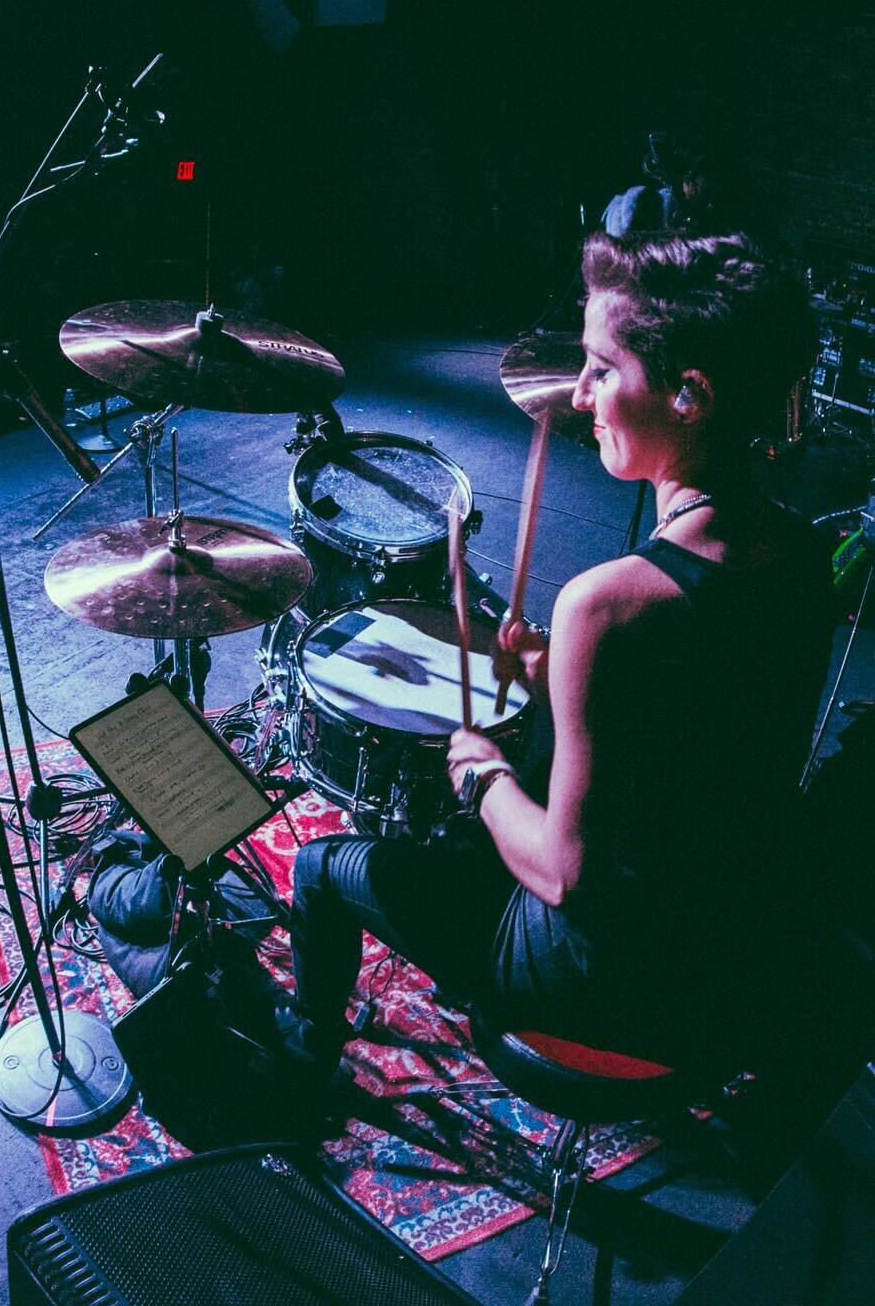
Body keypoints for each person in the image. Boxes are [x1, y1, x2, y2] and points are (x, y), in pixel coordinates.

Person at [281, 231, 833, 1079]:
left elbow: (566, 877)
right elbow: (705, 730)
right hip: (735, 933)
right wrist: (556, 679)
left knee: (323, 866)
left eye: (603, 370)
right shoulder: (804, 558)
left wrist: (479, 773)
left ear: (691, 395)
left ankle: (301, 1064)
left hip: (606, 977)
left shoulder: (608, 606)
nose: (578, 395)